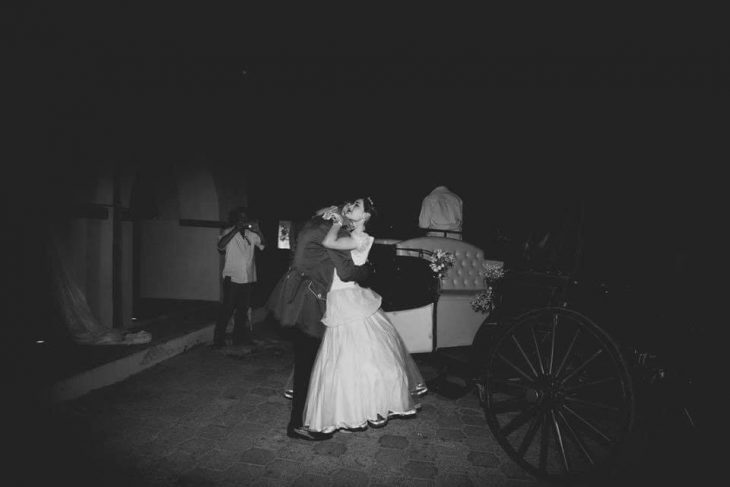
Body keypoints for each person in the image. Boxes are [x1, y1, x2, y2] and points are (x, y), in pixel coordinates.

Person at [303, 197, 427, 434]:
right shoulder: (349, 232)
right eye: (349, 204)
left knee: (358, 360)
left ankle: (363, 409)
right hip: (340, 298)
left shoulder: (361, 237)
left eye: (356, 206)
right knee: (340, 359)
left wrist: (337, 223)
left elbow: (329, 241)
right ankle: (344, 412)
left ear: (366, 216)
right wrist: (331, 214)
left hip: (349, 300)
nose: (350, 207)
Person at [267, 201, 371, 441]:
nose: (347, 209)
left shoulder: (317, 223)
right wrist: (368, 271)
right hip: (311, 298)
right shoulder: (331, 230)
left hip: (300, 290)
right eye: (350, 205)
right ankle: (298, 424)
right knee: (308, 364)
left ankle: (308, 418)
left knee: (309, 361)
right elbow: (347, 272)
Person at [212, 206, 265, 348]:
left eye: (244, 217)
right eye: (240, 217)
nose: (243, 220)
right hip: (232, 278)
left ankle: (238, 339)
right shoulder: (228, 232)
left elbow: (263, 245)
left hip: (247, 278)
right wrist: (236, 229)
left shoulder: (251, 234)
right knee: (227, 310)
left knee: (242, 312)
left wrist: (258, 228)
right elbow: (220, 246)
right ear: (235, 219)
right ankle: (218, 341)